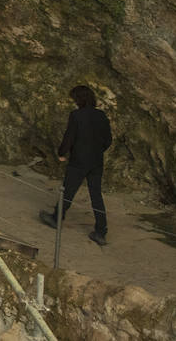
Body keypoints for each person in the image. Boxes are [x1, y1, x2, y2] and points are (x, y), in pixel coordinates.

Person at [39, 84, 111, 246]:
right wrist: (97, 151)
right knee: (96, 196)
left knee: (68, 191)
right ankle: (101, 231)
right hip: (96, 161)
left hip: (79, 160)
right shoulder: (101, 116)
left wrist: (61, 153)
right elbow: (108, 140)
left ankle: (56, 218)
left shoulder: (76, 116)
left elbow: (69, 137)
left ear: (78, 99)